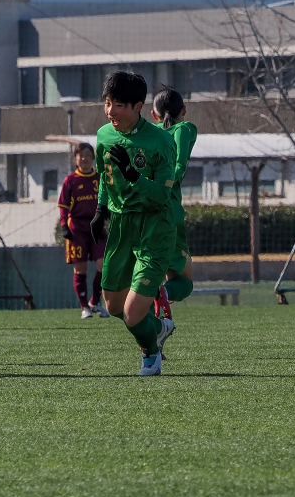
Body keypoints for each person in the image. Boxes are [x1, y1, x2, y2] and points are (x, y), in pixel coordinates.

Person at [92, 70, 178, 377]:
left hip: (154, 228)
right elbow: (105, 174)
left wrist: (133, 175)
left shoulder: (161, 141)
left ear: (138, 106)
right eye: (108, 102)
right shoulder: (104, 135)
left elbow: (161, 196)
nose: (111, 111)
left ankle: (151, 356)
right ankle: (158, 327)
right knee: (113, 306)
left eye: (119, 105)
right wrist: (101, 209)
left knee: (131, 313)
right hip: (120, 226)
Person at [151, 87, 196, 323]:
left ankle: (151, 344)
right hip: (169, 212)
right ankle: (165, 294)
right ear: (184, 110)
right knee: (184, 282)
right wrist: (167, 184)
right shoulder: (184, 128)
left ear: (153, 114)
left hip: (141, 212)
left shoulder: (147, 134)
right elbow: (178, 167)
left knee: (147, 278)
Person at [57, 141, 108, 318]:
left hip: (97, 228)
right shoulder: (70, 181)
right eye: (80, 155)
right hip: (77, 228)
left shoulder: (100, 179)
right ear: (75, 159)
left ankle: (95, 301)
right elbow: (63, 206)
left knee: (103, 265)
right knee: (81, 269)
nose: (84, 158)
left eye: (87, 154)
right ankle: (84, 307)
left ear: (93, 158)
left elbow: (107, 202)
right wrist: (64, 226)